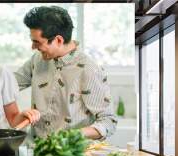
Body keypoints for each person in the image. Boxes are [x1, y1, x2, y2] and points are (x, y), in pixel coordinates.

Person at [15, 6, 117, 140]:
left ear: (58, 40)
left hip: (72, 155)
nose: (33, 47)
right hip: (37, 150)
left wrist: (74, 135)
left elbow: (108, 121)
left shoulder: (89, 69)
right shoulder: (37, 59)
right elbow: (9, 85)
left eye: (37, 42)